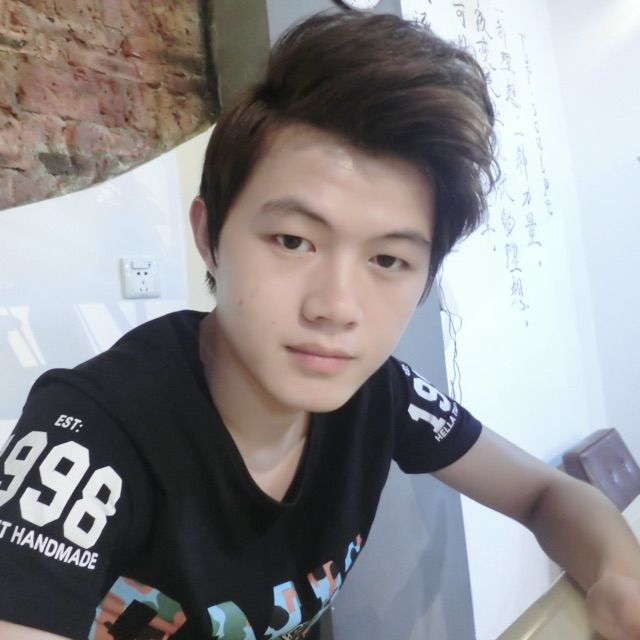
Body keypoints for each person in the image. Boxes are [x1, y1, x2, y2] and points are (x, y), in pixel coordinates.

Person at [1, 10, 639, 640]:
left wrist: (619, 579)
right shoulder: (92, 436)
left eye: (388, 260)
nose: (336, 307)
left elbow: (543, 494)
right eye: (292, 240)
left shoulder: (383, 394)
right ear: (210, 236)